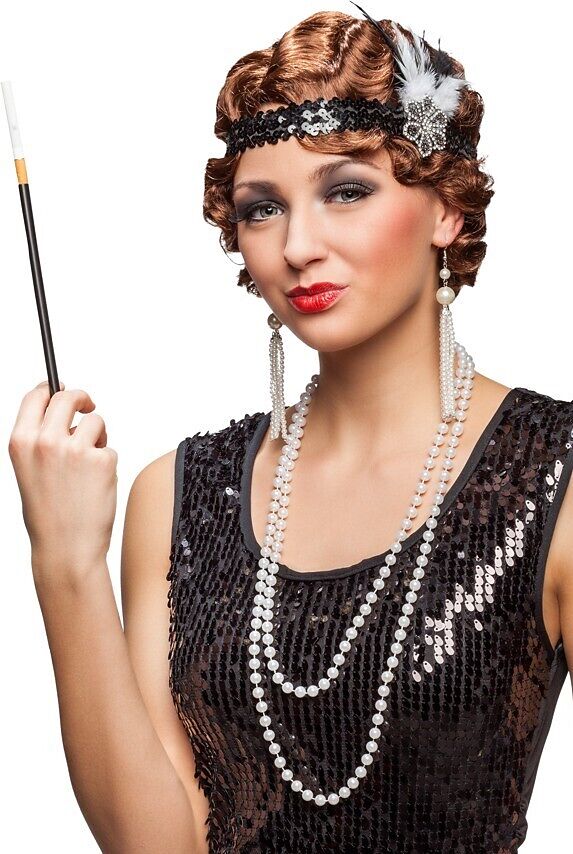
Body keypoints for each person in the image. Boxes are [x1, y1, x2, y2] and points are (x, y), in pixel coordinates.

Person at [7, 7, 573, 854]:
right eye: (263, 208)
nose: (298, 245)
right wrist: (66, 562)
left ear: (446, 208)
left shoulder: (551, 476)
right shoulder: (178, 496)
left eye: (346, 191)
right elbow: (156, 845)